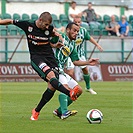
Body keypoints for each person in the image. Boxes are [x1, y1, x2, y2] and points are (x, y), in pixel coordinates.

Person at [0, 12, 79, 121]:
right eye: (45, 24)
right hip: (37, 59)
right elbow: (10, 21)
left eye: (48, 25)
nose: (47, 27)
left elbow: (49, 41)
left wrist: (55, 42)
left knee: (52, 86)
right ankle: (69, 92)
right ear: (40, 20)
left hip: (50, 59)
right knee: (51, 77)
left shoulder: (49, 29)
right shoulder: (28, 25)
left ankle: (36, 110)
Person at [51, 22, 100, 119]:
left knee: (79, 91)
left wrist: (88, 62)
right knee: (66, 89)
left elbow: (76, 61)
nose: (76, 33)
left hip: (61, 71)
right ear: (68, 30)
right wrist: (54, 36)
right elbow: (50, 41)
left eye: (77, 31)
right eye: (74, 30)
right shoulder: (61, 38)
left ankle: (59, 111)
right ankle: (64, 112)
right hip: (54, 68)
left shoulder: (72, 44)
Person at [65, 16, 103, 94]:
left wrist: (97, 45)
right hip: (70, 53)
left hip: (80, 53)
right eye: (76, 22)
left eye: (79, 22)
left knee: (85, 70)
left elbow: (89, 38)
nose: (78, 23)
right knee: (70, 72)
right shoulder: (70, 32)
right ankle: (71, 88)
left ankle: (88, 87)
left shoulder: (83, 31)